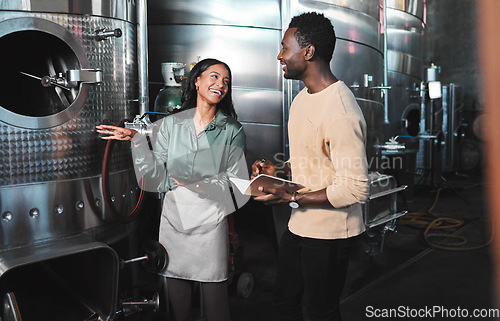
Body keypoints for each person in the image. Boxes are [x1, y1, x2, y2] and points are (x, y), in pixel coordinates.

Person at [97, 58, 248, 321]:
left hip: (210, 222)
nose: (220, 84)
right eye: (213, 77)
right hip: (174, 219)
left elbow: (236, 183)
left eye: (225, 81)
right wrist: (137, 141)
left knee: (215, 305)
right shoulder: (171, 125)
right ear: (197, 81)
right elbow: (156, 177)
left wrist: (199, 183)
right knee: (176, 302)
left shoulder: (232, 130)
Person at [251, 12, 369, 321]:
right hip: (299, 224)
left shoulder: (341, 110)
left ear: (308, 52)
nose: (280, 55)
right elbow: (312, 157)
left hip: (330, 234)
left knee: (321, 312)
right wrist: (279, 172)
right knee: (285, 302)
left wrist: (290, 196)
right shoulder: (303, 98)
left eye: (284, 47)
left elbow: (355, 189)